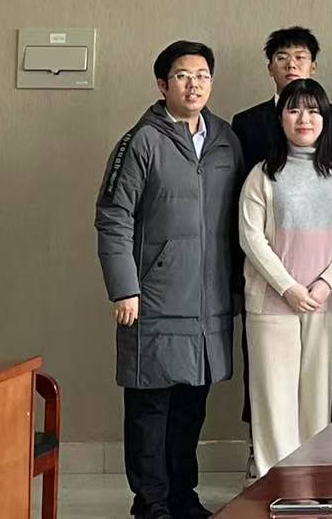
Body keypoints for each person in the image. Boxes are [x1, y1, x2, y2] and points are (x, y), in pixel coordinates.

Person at [96, 40, 242, 519]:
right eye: (182, 76)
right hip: (154, 299)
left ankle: (183, 496)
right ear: (163, 84)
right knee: (150, 411)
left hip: (209, 304)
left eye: (202, 75)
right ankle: (152, 504)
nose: (193, 84)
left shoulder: (225, 139)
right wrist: (125, 288)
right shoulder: (142, 140)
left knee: (190, 409)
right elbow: (113, 217)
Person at [238, 80, 332, 478]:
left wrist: (326, 283)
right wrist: (288, 287)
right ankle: (274, 480)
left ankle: (313, 477)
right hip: (271, 302)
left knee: (316, 395)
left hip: (326, 301)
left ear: (325, 119)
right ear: (280, 119)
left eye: (313, 110)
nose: (304, 119)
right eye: (294, 110)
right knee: (272, 396)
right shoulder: (263, 174)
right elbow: (250, 237)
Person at [231, 27, 332, 177]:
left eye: (300, 57)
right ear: (270, 68)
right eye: (282, 58)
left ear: (313, 67)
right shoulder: (245, 123)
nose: (291, 65)